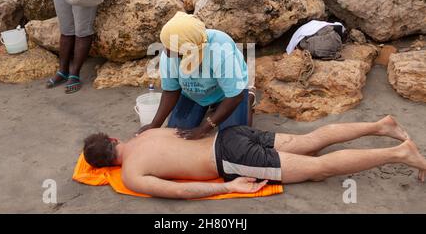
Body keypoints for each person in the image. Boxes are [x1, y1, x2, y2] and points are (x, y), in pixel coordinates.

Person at [82, 116, 426, 199]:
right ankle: (380, 126)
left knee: (318, 169)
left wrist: (228, 188)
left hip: (231, 156)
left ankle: (401, 153)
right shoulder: (146, 133)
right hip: (232, 133)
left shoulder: (130, 175)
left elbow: (182, 192)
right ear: (114, 139)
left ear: (104, 168)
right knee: (311, 140)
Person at [137, 12, 255, 140]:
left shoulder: (221, 51)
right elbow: (171, 91)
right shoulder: (169, 56)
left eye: (170, 47)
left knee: (236, 140)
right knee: (176, 134)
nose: (166, 51)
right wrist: (154, 125)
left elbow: (235, 96)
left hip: (228, 94)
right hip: (194, 93)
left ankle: (248, 98)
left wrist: (203, 129)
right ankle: (212, 108)